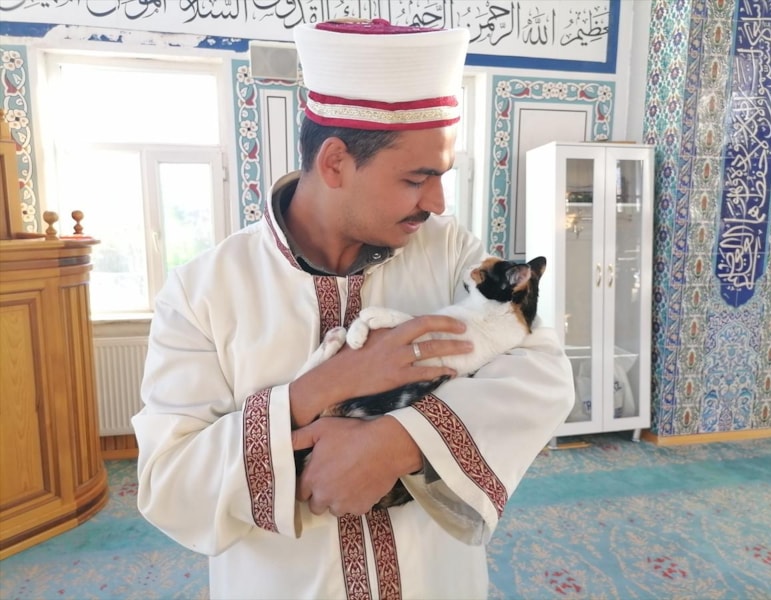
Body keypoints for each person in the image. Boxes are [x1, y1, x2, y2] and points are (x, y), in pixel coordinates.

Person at [133, 18, 574, 600]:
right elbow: (169, 483)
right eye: (417, 178)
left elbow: (544, 372)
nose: (437, 202)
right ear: (335, 162)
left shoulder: (448, 249)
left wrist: (399, 442)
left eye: (442, 176)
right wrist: (323, 387)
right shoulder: (203, 290)